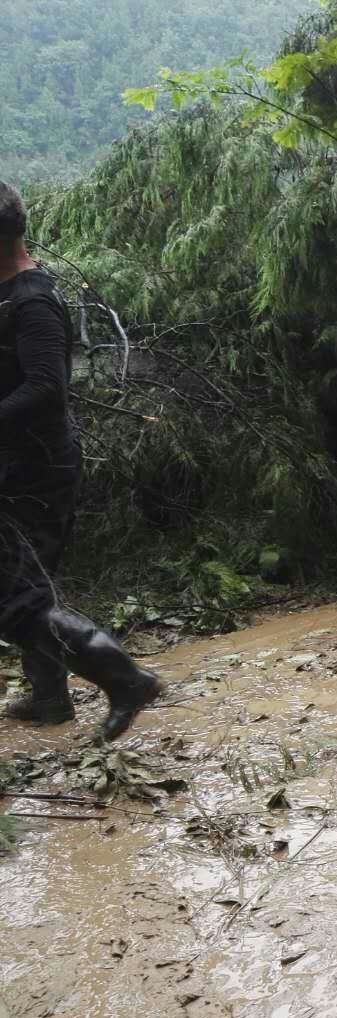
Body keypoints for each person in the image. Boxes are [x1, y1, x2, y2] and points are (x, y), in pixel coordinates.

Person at [0, 182, 163, 740]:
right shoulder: (8, 294)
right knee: (29, 588)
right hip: (17, 465)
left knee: (16, 599)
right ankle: (49, 697)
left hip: (37, 470)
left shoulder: (33, 302)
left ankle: (125, 679)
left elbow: (46, 388)